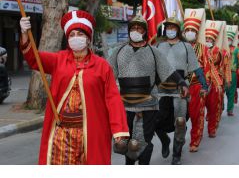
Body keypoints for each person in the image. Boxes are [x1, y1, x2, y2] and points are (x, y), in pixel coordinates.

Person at [19, 10, 129, 165]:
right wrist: (24, 33)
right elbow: (33, 58)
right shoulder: (58, 60)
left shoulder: (102, 66)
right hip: (61, 135)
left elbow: (113, 100)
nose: (76, 38)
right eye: (72, 35)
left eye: (80, 34)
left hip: (90, 133)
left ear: (88, 38)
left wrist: (120, 133)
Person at [108, 15, 189, 165]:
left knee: (141, 143)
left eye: (139, 28)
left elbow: (169, 71)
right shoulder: (119, 51)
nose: (136, 31)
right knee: (126, 143)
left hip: (148, 105)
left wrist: (182, 82)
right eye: (133, 28)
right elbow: (106, 75)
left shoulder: (153, 52)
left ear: (145, 31)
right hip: (124, 105)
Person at [155, 13, 208, 164]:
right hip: (161, 90)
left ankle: (176, 154)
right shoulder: (158, 46)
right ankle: (165, 140)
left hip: (180, 90)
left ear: (178, 30)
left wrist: (204, 84)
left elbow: (196, 68)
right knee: (155, 121)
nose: (170, 30)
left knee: (180, 121)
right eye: (168, 27)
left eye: (173, 27)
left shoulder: (186, 47)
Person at [182, 8, 208, 153]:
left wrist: (206, 87)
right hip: (181, 87)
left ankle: (195, 140)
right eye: (188, 29)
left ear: (197, 33)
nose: (190, 32)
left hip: (197, 86)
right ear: (184, 32)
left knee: (197, 115)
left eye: (193, 29)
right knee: (180, 117)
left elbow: (208, 69)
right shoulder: (179, 46)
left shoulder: (203, 49)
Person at [203, 20, 224, 138]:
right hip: (201, 81)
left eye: (210, 39)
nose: (208, 41)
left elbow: (213, 63)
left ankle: (212, 129)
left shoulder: (217, 51)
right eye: (206, 38)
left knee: (212, 107)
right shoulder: (201, 49)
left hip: (214, 82)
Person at [225, 25, 239, 116]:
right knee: (223, 91)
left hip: (233, 73)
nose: (228, 39)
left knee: (231, 91)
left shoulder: (237, 49)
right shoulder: (221, 48)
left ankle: (230, 109)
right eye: (227, 38)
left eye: (230, 38)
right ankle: (219, 107)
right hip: (222, 73)